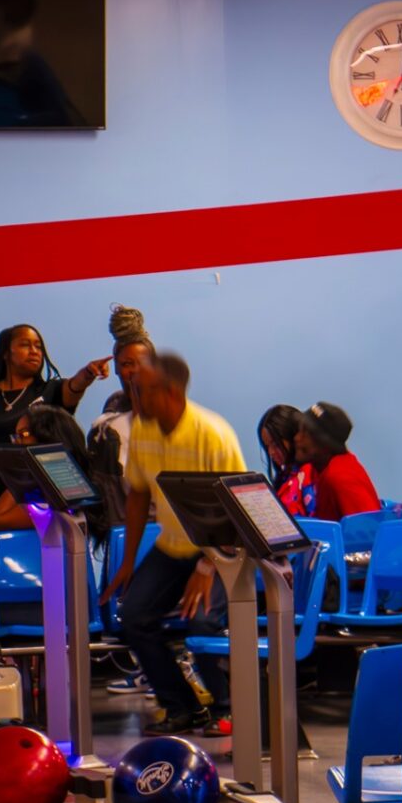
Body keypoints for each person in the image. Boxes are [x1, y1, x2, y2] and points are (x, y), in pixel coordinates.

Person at [104, 352, 247, 736]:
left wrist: (207, 566)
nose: (135, 397)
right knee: (134, 616)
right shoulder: (143, 429)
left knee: (202, 621)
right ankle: (182, 706)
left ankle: (226, 709)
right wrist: (128, 562)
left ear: (171, 392)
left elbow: (236, 510)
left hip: (220, 550)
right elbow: (138, 494)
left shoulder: (212, 433)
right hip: (172, 546)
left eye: (143, 390)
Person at [0, 403, 107, 652]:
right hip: (34, 588)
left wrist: (20, 471)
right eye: (15, 437)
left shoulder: (53, 494)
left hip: (48, 596)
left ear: (46, 439)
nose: (16, 444)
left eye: (23, 436)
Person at [0, 324, 110, 545]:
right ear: (6, 353)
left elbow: (74, 387)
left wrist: (88, 373)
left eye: (38, 346)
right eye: (25, 345)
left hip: (41, 501)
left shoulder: (48, 391)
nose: (34, 351)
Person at [86, 305, 155, 522]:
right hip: (114, 523)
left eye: (143, 363)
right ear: (115, 367)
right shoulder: (114, 405)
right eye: (126, 364)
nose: (134, 371)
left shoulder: (167, 413)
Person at [293, 402, 380, 521]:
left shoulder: (340, 477)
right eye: (300, 430)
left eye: (306, 434)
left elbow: (368, 527)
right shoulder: (321, 469)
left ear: (325, 444)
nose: (297, 438)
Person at [256, 405, 311, 516]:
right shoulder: (285, 478)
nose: (271, 452)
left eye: (276, 444)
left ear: (294, 437)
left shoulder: (310, 475)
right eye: (267, 446)